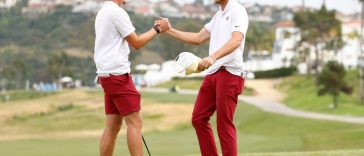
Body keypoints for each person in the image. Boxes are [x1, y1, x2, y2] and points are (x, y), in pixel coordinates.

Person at [156, 0, 249, 155]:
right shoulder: (218, 15)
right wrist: (168, 30)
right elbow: (198, 38)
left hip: (230, 74)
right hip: (213, 73)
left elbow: (236, 40)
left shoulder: (238, 11)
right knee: (198, 119)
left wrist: (212, 57)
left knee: (224, 124)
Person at [94, 0, 170, 156]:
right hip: (118, 76)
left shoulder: (103, 11)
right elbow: (136, 42)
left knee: (113, 125)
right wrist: (157, 29)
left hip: (107, 76)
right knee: (135, 123)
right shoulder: (117, 12)